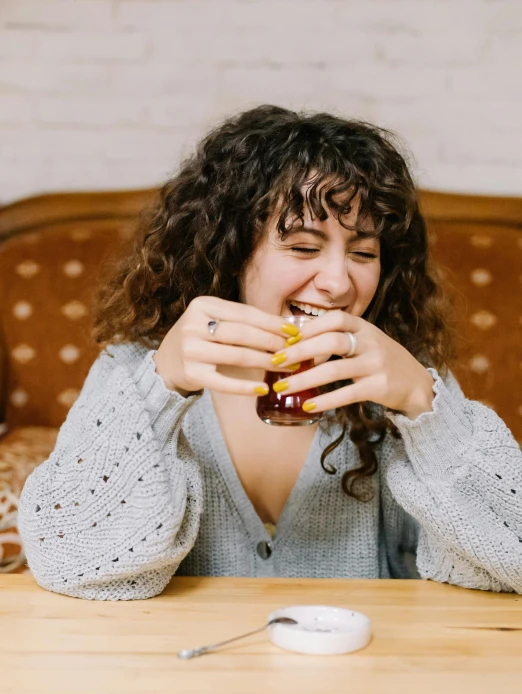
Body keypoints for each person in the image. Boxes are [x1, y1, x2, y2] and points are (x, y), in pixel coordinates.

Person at [18, 105, 522, 600]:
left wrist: (423, 404)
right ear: (232, 250)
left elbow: (510, 563)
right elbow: (72, 564)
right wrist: (159, 387)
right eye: (304, 247)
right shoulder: (134, 374)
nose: (338, 281)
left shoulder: (403, 387)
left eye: (364, 253)